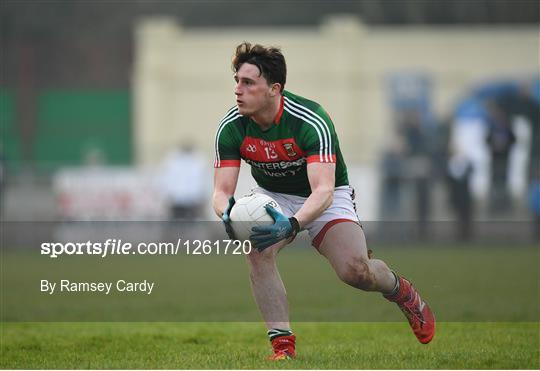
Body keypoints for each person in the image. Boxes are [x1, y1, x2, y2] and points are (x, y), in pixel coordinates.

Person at [212, 42, 435, 361]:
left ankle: (402, 291)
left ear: (274, 89)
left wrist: (291, 225)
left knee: (356, 272)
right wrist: (228, 215)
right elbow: (221, 192)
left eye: (248, 82)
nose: (238, 90)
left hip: (326, 196)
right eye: (237, 81)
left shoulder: (311, 120)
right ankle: (283, 347)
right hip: (274, 196)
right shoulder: (231, 126)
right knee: (257, 250)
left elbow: (323, 191)